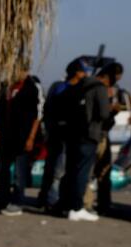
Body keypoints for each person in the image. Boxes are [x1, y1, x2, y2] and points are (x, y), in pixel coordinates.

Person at [59, 58, 109, 222]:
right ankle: (76, 207)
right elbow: (104, 113)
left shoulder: (73, 88)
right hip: (89, 135)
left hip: (73, 135)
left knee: (72, 170)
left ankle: (67, 204)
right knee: (82, 172)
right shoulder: (98, 87)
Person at [0, 65, 42, 216]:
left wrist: (31, 137)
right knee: (2, 170)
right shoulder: (7, 88)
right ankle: (2, 200)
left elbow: (37, 116)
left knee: (20, 173)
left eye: (21, 70)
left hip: (22, 137)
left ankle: (17, 202)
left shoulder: (32, 88)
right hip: (6, 137)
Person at [37, 61, 87, 209]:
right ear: (77, 72)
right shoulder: (65, 89)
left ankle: (45, 198)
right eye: (83, 72)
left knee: (53, 168)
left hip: (57, 134)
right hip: (62, 135)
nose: (85, 75)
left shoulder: (57, 87)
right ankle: (53, 200)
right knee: (59, 170)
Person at [87, 63, 131, 213]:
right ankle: (86, 203)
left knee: (104, 171)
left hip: (105, 134)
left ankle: (104, 202)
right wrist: (109, 109)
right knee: (89, 170)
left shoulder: (114, 90)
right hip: (94, 134)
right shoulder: (96, 87)